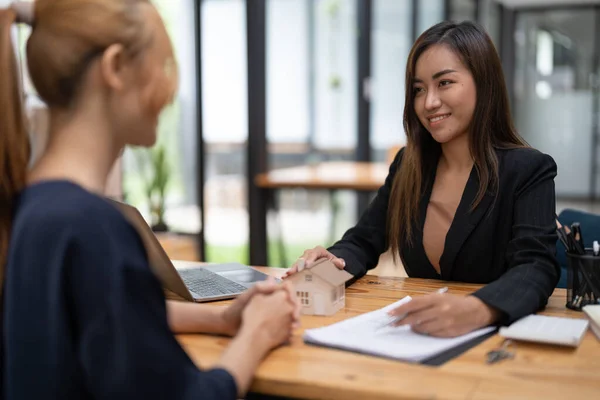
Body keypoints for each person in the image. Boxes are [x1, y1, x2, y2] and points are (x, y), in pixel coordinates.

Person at [0, 1, 299, 399]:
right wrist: (256, 336)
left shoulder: (33, 208)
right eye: (164, 66)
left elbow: (105, 317)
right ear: (116, 67)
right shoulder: (94, 228)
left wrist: (224, 320)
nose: (169, 91)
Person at [285, 21, 560, 338]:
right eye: (418, 89)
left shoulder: (528, 169)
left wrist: (478, 308)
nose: (428, 102)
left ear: (484, 84)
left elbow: (536, 268)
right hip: (420, 338)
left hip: (494, 345)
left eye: (444, 83)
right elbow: (363, 240)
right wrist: (333, 261)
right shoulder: (409, 166)